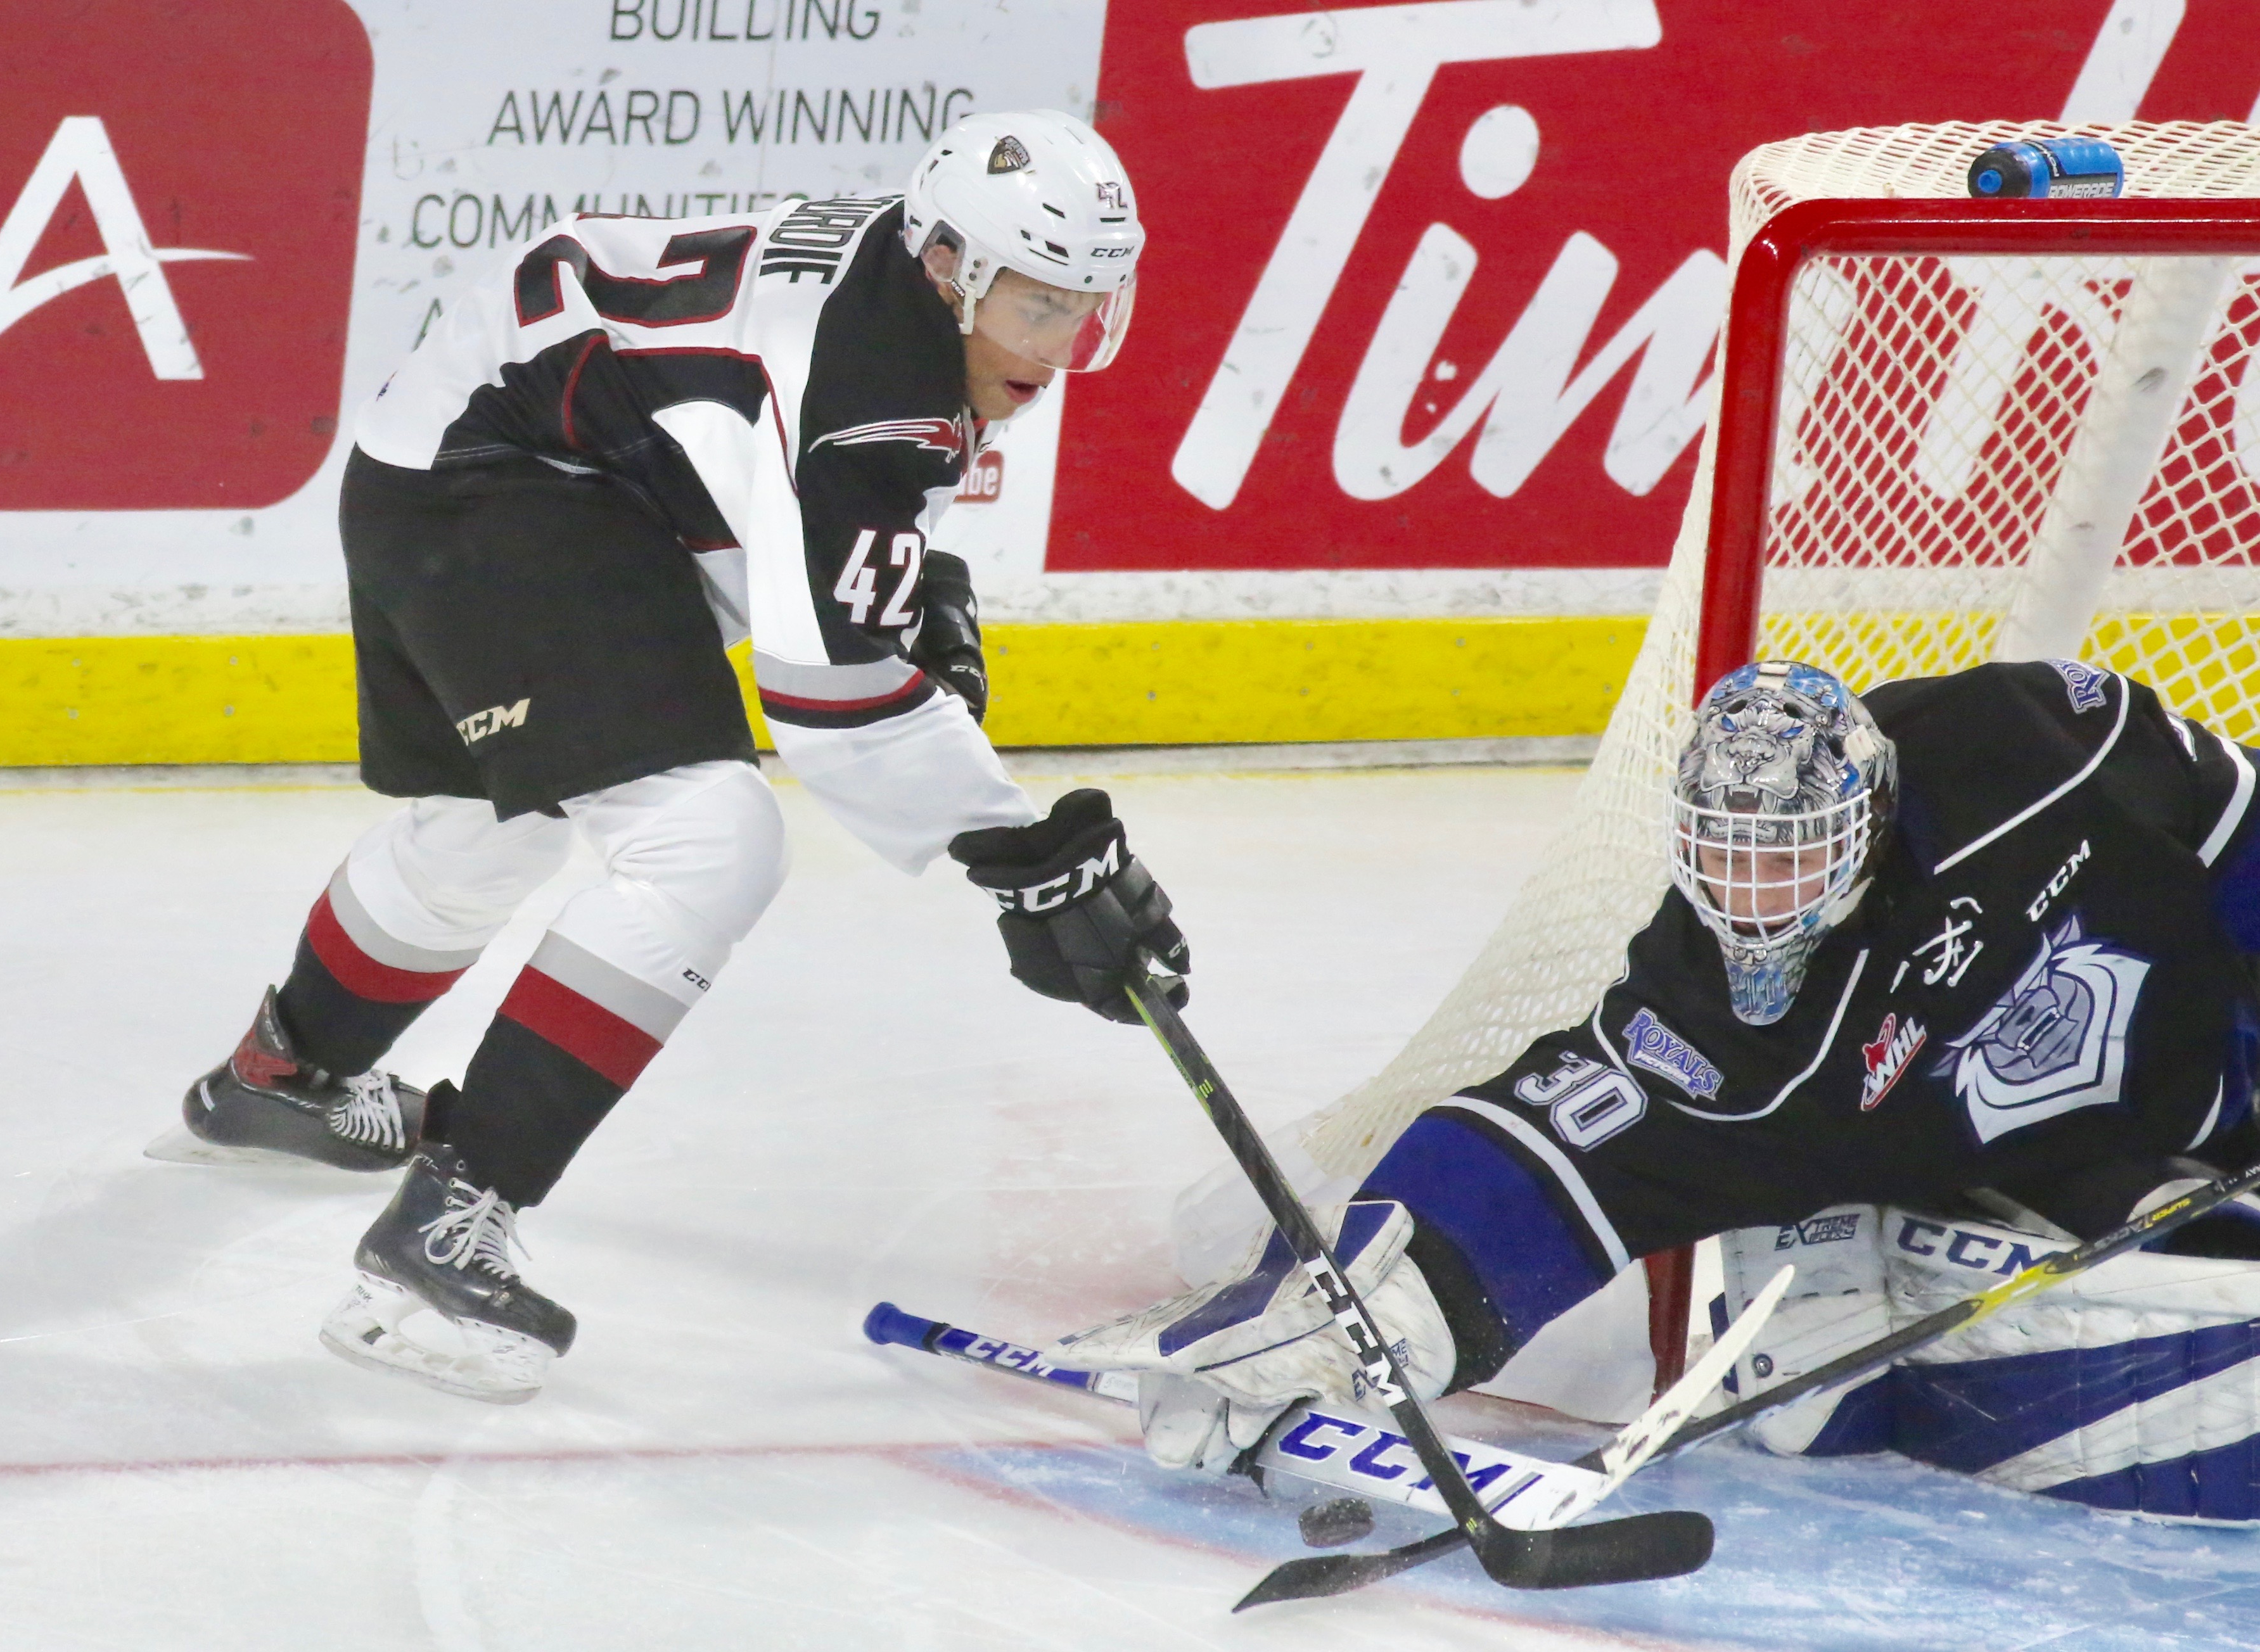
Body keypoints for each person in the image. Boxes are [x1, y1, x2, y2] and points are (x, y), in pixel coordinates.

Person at [151, 110, 1190, 1403]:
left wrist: (892, 600)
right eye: (1038, 305)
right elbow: (824, 692)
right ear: (947, 269)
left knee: (494, 819)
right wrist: (1027, 859)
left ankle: (280, 1076)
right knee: (710, 838)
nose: (1060, 347)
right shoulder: (882, 383)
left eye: (1086, 308)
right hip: (498, 476)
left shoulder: (906, 303)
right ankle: (444, 1230)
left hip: (504, 449)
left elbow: (763, 471)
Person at [1068, 658, 2260, 1520]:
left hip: (2216, 1065)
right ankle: (1817, 1234)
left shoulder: (2025, 750)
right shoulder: (1705, 1014)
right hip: (2056, 1161)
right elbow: (1553, 1146)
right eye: (1726, 858)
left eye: (1790, 854)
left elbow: (2229, 820)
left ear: (1869, 816)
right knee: (1831, 1409)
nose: (1755, 898)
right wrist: (1360, 1314)